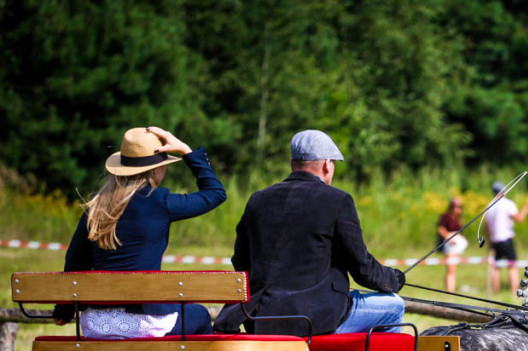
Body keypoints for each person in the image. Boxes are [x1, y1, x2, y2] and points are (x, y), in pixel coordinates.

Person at [221, 130, 405, 335]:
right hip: (314, 320)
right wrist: (393, 279)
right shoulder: (338, 200)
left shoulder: (258, 199)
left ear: (292, 163)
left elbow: (240, 260)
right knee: (394, 306)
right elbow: (362, 268)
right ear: (327, 165)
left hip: (259, 318)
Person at [55, 126, 226, 338]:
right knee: (199, 314)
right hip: (144, 322)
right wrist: (186, 150)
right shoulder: (160, 202)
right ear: (156, 170)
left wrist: (64, 309)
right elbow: (215, 193)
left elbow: (74, 262)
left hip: (97, 324)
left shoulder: (97, 205)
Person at [485, 181, 528, 293]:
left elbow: (487, 228)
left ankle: (496, 291)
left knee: (496, 267)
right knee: (512, 266)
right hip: (506, 239)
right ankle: (514, 291)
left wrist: (489, 242)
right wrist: (527, 207)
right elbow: (519, 218)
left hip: (494, 239)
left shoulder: (490, 205)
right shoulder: (508, 204)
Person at [437, 197, 467, 293]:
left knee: (454, 268)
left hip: (457, 244)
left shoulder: (459, 218)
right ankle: (449, 289)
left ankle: (451, 287)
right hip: (450, 243)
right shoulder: (445, 217)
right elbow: (441, 229)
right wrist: (448, 238)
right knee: (450, 267)